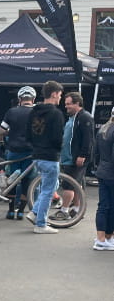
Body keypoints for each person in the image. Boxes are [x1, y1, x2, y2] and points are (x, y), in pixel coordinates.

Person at [25, 80, 64, 234]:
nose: (60, 98)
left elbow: (28, 134)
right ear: (54, 94)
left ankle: (35, 212)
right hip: (50, 155)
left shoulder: (33, 112)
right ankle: (40, 224)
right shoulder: (56, 114)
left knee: (46, 188)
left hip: (37, 154)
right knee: (48, 190)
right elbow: (57, 138)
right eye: (60, 95)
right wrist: (58, 149)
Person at [0, 86, 36, 220]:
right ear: (33, 99)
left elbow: (1, 131)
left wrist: (6, 138)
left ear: (19, 99)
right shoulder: (37, 112)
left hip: (13, 151)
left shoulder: (12, 111)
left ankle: (10, 211)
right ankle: (20, 211)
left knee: (12, 181)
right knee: (27, 181)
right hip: (30, 152)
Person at [56, 92, 93, 220]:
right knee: (75, 184)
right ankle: (77, 209)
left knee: (68, 186)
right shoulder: (73, 117)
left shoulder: (85, 117)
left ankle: (64, 211)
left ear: (77, 103)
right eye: (65, 104)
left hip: (76, 158)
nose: (66, 107)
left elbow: (88, 139)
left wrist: (82, 155)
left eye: (69, 104)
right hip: (69, 157)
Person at [92, 107, 114, 250]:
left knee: (103, 206)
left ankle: (102, 238)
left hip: (102, 171)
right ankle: (107, 238)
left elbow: (96, 153)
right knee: (111, 207)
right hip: (111, 172)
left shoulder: (103, 129)